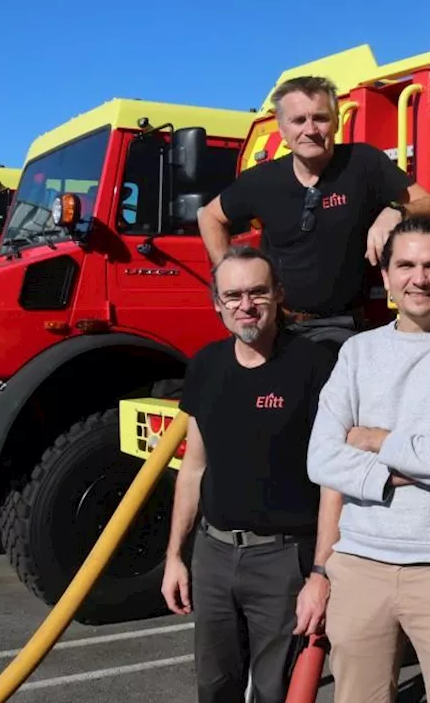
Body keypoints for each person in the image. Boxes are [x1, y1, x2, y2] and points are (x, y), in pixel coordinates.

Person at [306, 216, 430, 703]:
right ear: (386, 276)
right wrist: (396, 476)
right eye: (406, 265)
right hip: (358, 565)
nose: (419, 279)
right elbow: (321, 459)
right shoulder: (357, 352)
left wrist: (378, 439)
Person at [161, 245, 344, 703]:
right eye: (233, 295)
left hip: (283, 561)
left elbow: (332, 481)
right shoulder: (206, 366)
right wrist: (175, 557)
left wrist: (321, 573)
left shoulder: (314, 366)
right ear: (217, 304)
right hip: (214, 553)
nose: (246, 305)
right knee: (214, 686)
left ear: (278, 295)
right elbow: (193, 468)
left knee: (272, 690)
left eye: (258, 292)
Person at [198, 74, 430, 347]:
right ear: (282, 129)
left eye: (321, 118)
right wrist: (226, 274)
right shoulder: (260, 180)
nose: (311, 129)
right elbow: (209, 216)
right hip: (274, 325)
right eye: (299, 120)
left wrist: (395, 211)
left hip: (339, 328)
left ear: (337, 122)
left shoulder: (363, 163)